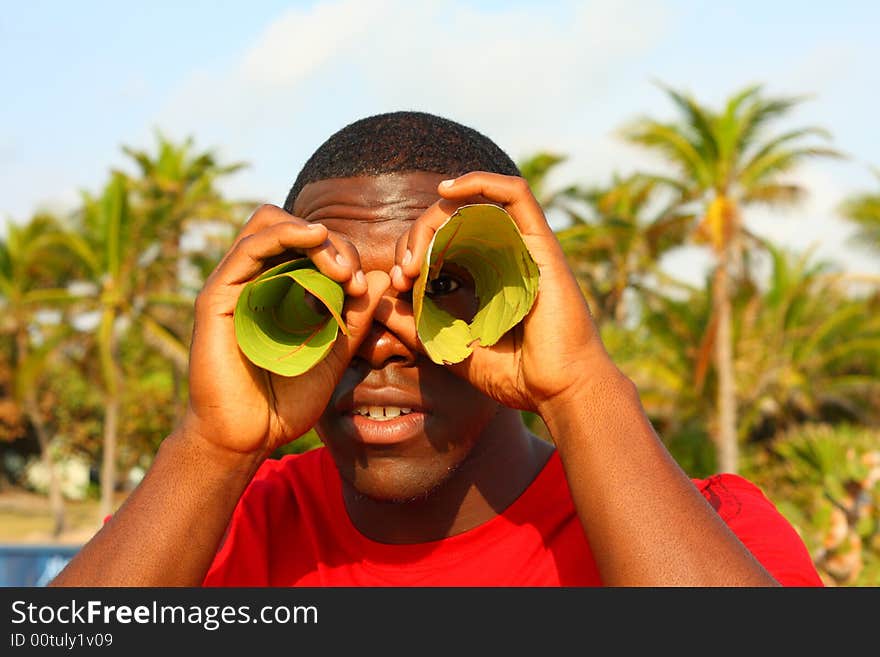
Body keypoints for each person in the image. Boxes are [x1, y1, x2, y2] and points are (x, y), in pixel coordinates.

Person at [50, 111, 822, 587]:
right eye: (334, 298)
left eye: (441, 285)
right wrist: (211, 444)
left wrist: (582, 388)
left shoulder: (704, 526)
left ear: (525, 298)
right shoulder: (213, 536)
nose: (380, 342)